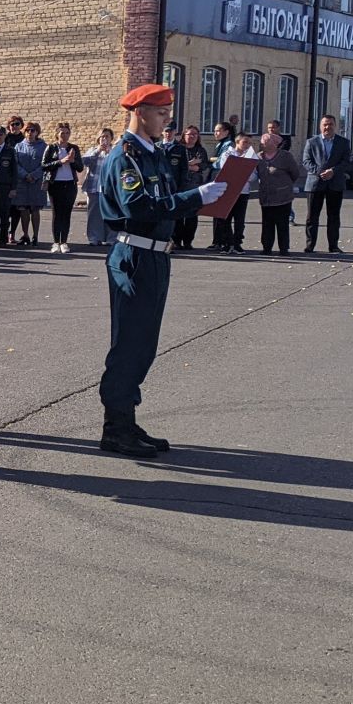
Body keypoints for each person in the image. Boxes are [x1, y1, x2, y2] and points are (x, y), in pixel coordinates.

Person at [97, 84, 226, 457]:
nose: (167, 118)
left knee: (144, 346)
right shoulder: (127, 157)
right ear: (139, 112)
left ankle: (127, 420)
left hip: (156, 256)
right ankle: (115, 427)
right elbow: (138, 207)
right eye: (160, 112)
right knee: (130, 344)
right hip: (134, 256)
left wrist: (200, 197)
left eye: (169, 112)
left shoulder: (153, 155)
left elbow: (163, 203)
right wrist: (195, 197)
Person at [300, 114, 351, 254]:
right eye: (325, 124)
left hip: (335, 184)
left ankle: (333, 246)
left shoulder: (343, 142)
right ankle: (310, 245)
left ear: (335, 126)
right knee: (312, 216)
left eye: (330, 124)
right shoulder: (311, 142)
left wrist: (333, 171)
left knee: (334, 216)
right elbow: (306, 161)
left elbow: (346, 162)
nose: (327, 127)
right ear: (320, 126)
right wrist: (320, 171)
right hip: (315, 183)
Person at [254, 132, 303, 254]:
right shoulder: (258, 157)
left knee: (282, 223)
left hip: (283, 196)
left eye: (266, 142)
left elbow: (295, 173)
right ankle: (267, 247)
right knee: (267, 224)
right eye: (262, 142)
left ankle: (284, 248)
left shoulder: (285, 156)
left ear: (275, 144)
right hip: (266, 196)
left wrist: (285, 185)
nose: (263, 144)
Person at [41, 122, 83, 253]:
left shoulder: (74, 148)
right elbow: (44, 165)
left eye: (67, 133)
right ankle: (55, 242)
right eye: (62, 133)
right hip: (55, 184)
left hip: (70, 184)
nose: (64, 135)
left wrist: (72, 161)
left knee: (66, 213)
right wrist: (60, 162)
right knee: (56, 213)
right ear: (56, 134)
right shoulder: (51, 148)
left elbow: (80, 167)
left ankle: (64, 242)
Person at [213, 132, 258, 254]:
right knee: (226, 218)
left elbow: (253, 175)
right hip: (228, 190)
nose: (247, 145)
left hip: (243, 191)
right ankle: (228, 243)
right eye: (245, 142)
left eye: (249, 143)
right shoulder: (228, 153)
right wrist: (240, 170)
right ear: (237, 142)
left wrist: (243, 173)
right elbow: (226, 169)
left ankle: (237, 243)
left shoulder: (251, 156)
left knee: (240, 219)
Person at [167, 125, 209, 250]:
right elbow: (176, 166)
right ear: (183, 135)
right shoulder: (178, 149)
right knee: (178, 214)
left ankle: (188, 241)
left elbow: (202, 166)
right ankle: (177, 240)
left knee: (192, 215)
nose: (192, 137)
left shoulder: (200, 150)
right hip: (179, 185)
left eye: (195, 134)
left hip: (194, 185)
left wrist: (192, 165)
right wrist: (190, 164)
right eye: (189, 134)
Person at [82, 128, 114, 247]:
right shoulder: (92, 150)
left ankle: (111, 238)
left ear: (111, 139)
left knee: (110, 212)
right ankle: (94, 237)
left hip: (109, 188)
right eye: (102, 137)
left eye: (107, 136)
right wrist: (98, 151)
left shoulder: (114, 151)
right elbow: (84, 162)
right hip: (93, 187)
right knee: (94, 214)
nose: (104, 139)